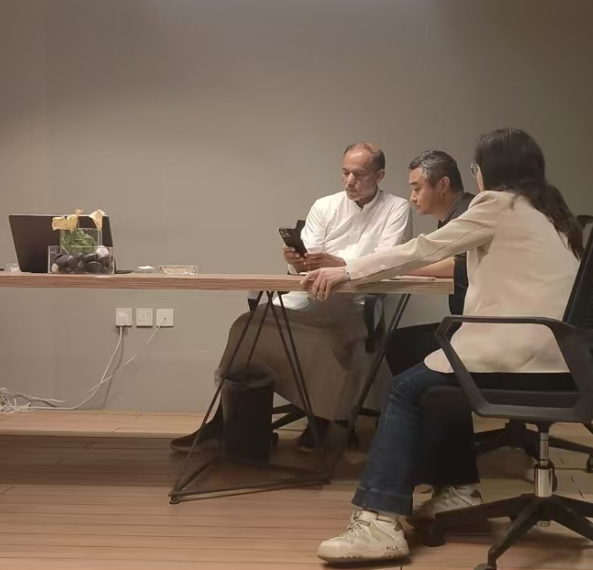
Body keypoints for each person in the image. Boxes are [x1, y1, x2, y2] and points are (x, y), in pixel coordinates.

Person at [303, 128, 585, 563]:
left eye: (476, 167)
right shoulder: (549, 213)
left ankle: (379, 523)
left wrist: (349, 270)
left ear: (490, 170)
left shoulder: (498, 205)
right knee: (432, 383)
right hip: (562, 357)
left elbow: (425, 248)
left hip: (519, 352)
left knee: (404, 390)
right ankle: (458, 491)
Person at [170, 142, 412, 453]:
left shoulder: (396, 208)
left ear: (379, 176)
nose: (350, 181)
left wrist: (340, 264)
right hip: (308, 294)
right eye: (345, 173)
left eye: (359, 175)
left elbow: (388, 261)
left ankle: (321, 418)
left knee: (322, 338)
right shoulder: (325, 205)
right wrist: (296, 261)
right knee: (247, 326)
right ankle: (228, 422)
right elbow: (304, 262)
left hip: (353, 302)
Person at [383, 150, 475, 376]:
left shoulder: (467, 214)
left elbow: (460, 265)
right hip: (468, 323)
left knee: (399, 344)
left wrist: (400, 266)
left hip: (477, 329)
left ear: (443, 185)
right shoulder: (455, 215)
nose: (412, 198)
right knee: (398, 341)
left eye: (417, 189)